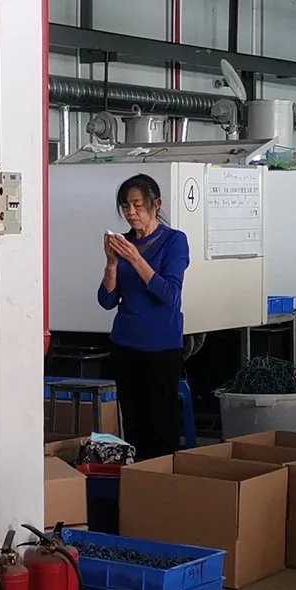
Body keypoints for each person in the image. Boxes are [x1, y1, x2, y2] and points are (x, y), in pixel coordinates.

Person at [97, 173, 190, 464]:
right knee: (134, 423)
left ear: (155, 204)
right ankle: (137, 482)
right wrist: (112, 263)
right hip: (125, 343)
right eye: (126, 206)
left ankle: (163, 484)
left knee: (161, 425)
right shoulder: (123, 243)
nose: (131, 213)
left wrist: (136, 260)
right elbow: (107, 300)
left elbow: (169, 294)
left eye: (137, 205)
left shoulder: (173, 241)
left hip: (161, 346)